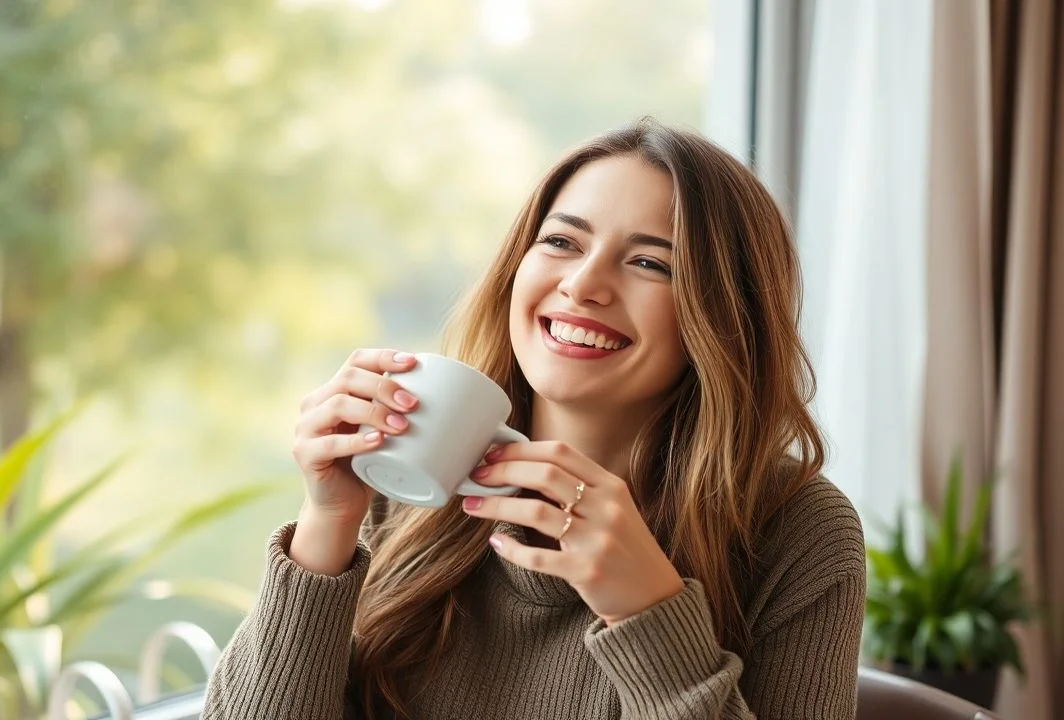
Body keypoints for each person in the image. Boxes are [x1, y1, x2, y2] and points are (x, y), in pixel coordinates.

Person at [201, 117, 866, 720]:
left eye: (648, 263)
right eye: (561, 242)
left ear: (724, 315)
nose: (582, 284)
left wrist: (648, 611)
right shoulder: (412, 475)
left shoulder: (796, 532)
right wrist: (327, 523)